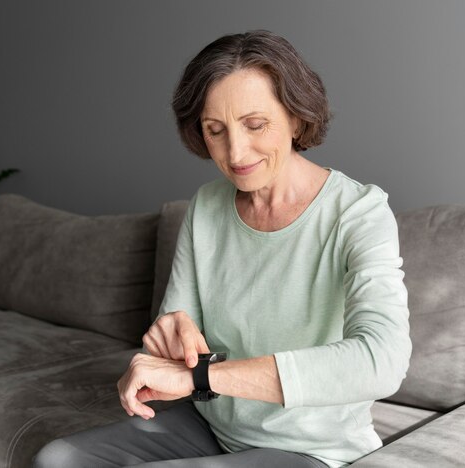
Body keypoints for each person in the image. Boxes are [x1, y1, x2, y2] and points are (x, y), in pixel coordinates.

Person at [33, 30, 411, 468]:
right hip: (212, 427)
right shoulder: (208, 206)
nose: (235, 152)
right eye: (215, 131)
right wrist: (170, 335)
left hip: (311, 450)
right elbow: (180, 335)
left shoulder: (359, 211)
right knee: (58, 460)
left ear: (296, 117)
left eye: (255, 125)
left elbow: (382, 360)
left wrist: (201, 374)